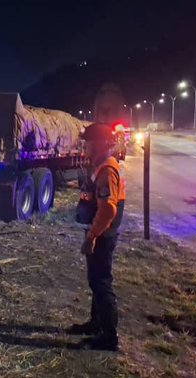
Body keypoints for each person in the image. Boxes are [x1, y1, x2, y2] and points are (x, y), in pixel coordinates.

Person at [70, 122, 125, 351]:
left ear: (101, 143)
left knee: (101, 282)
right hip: (99, 231)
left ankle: (109, 337)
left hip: (102, 234)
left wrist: (92, 236)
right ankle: (96, 324)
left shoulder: (106, 169)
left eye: (89, 143)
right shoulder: (100, 165)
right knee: (96, 279)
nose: (85, 147)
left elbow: (109, 209)